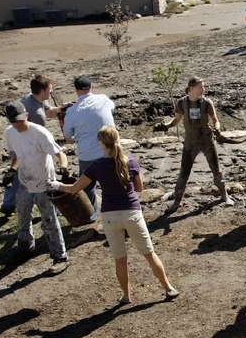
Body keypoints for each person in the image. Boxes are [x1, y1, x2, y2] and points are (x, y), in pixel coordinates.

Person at [55, 126, 177, 305]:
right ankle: (168, 288)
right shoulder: (131, 162)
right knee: (149, 254)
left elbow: (74, 189)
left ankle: (126, 296)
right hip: (132, 213)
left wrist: (56, 185)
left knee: (120, 260)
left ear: (101, 144)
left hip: (110, 216)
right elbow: (140, 189)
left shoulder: (96, 166)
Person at [3, 101, 68, 269]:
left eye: (21, 119)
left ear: (26, 115)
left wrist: (64, 167)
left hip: (44, 184)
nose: (19, 124)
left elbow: (59, 153)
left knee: (49, 221)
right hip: (25, 182)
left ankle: (60, 257)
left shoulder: (40, 133)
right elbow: (16, 155)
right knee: (23, 218)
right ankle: (26, 248)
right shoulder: (10, 133)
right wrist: (12, 170)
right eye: (15, 121)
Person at [164, 77, 232, 212]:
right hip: (190, 143)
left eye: (204, 87)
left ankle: (225, 196)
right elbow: (176, 120)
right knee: (183, 173)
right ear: (191, 88)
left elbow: (215, 120)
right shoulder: (181, 103)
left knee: (216, 171)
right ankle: (176, 203)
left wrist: (217, 128)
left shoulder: (207, 103)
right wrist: (165, 125)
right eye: (201, 87)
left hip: (207, 141)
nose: (204, 89)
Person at [3, 74, 60, 216]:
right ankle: (13, 203)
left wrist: (63, 108)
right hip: (25, 144)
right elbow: (38, 140)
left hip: (17, 139)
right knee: (25, 173)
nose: (51, 92)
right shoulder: (36, 114)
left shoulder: (32, 98)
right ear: (43, 90)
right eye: (50, 89)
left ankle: (8, 203)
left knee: (15, 171)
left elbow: (50, 112)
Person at [62, 75, 116, 216]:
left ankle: (92, 215)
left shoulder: (72, 111)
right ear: (91, 87)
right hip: (110, 151)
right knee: (112, 184)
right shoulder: (104, 99)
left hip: (87, 155)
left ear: (76, 90)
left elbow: (68, 138)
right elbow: (111, 109)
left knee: (87, 187)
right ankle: (114, 211)